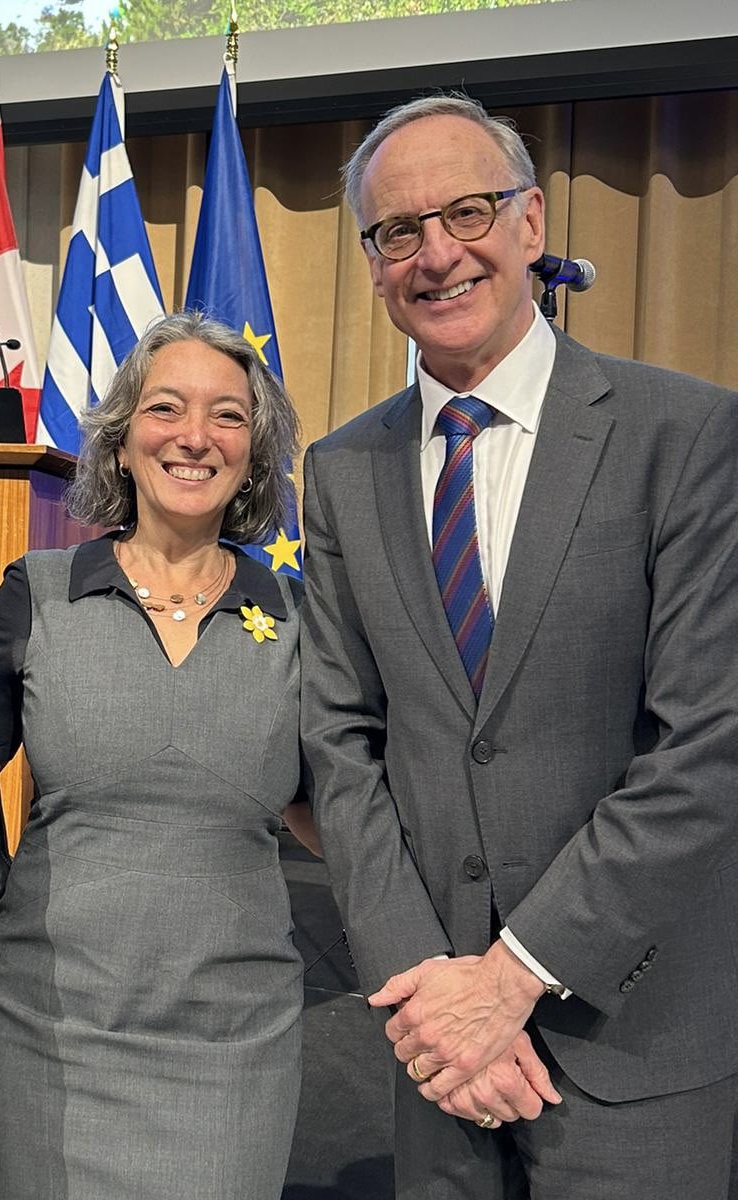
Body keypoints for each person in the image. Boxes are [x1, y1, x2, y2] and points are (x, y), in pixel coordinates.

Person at [301, 91, 738, 1199]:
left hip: (631, 1048)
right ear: (371, 261)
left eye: (468, 212)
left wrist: (517, 976)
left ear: (532, 224)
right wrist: (429, 990)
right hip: (438, 1059)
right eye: (399, 231)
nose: (435, 253)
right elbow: (339, 744)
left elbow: (707, 746)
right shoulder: (342, 471)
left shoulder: (685, 437)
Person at [0, 311, 315, 1198]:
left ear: (253, 455)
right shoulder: (37, 595)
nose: (195, 437)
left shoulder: (305, 619)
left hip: (233, 1060)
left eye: (228, 416)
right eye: (166, 407)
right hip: (48, 1048)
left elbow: (345, 812)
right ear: (121, 442)